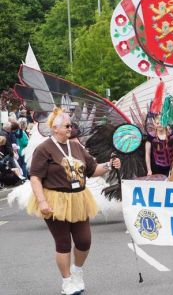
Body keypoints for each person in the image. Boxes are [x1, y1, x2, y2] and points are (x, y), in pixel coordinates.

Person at [26, 108, 121, 295]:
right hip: (55, 199)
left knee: (84, 241)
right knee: (62, 243)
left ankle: (77, 272)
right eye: (67, 126)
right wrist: (42, 201)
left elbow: (92, 170)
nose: (71, 128)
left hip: (78, 197)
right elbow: (35, 177)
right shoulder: (44, 149)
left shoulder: (76, 147)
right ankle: (67, 281)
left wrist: (110, 165)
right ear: (55, 128)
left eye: (72, 125)